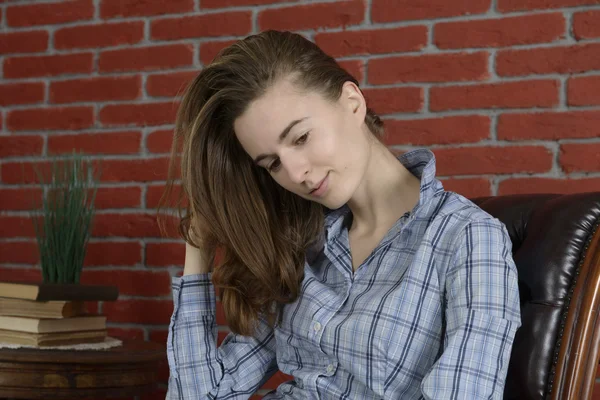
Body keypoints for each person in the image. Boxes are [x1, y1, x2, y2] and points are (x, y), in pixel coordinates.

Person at [160, 30, 521, 399]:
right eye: (272, 164)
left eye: (300, 138)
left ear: (352, 102)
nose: (295, 173)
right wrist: (198, 248)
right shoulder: (301, 247)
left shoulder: (467, 238)